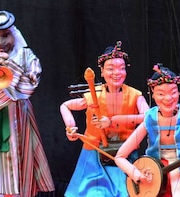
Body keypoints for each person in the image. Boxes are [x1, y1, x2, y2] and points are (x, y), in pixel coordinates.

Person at [0, 10, 55, 197]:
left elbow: (31, 84)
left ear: (13, 34)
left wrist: (10, 68)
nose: (1, 43)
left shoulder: (26, 56)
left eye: (5, 36)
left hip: (19, 116)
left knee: (20, 159)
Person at [60, 41, 150, 197]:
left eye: (121, 68)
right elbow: (65, 106)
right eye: (110, 69)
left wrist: (114, 120)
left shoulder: (135, 95)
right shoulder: (94, 95)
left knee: (126, 191)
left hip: (125, 154)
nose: (117, 73)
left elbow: (149, 118)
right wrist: (70, 126)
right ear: (101, 72)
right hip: (94, 155)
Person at [114, 64, 180, 197]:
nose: (168, 99)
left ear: (179, 92)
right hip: (156, 177)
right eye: (161, 94)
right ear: (153, 95)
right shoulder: (150, 119)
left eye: (173, 92)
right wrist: (136, 174)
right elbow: (119, 156)